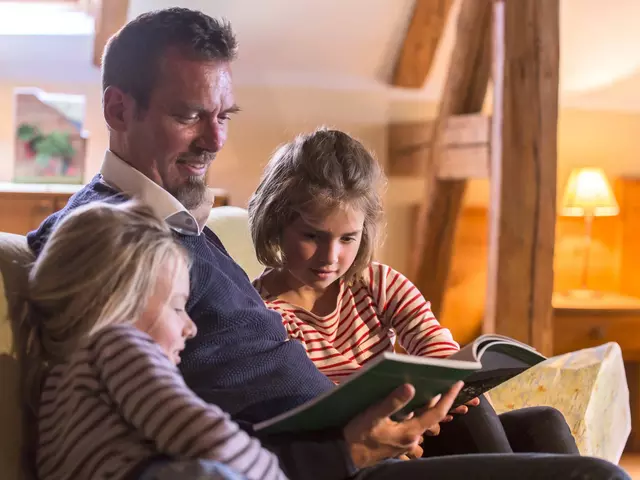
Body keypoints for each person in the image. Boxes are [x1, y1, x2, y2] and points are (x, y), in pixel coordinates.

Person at [26, 7, 631, 480]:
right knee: (590, 477)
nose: (214, 139)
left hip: (354, 441)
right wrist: (345, 451)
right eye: (190, 116)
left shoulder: (181, 221)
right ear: (116, 108)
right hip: (330, 467)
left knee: (542, 431)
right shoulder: (112, 237)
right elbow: (158, 428)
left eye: (224, 115)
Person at [246, 126, 582, 456]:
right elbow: (309, 409)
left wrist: (442, 391)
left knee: (544, 422)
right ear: (276, 222)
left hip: (414, 426)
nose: (330, 257)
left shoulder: (376, 283)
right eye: (312, 236)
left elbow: (437, 350)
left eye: (348, 238)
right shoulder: (261, 313)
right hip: (362, 449)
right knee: (471, 415)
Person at [18, 200, 287, 480]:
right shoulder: (116, 343)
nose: (190, 327)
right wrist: (271, 473)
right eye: (176, 307)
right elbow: (196, 429)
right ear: (120, 302)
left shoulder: (59, 380)